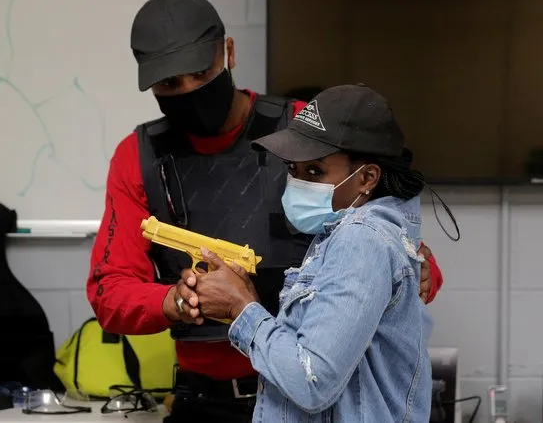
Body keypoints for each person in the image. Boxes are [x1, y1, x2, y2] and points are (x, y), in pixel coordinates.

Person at [87, 0, 443, 421]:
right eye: (169, 84)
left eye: (201, 74)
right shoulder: (138, 157)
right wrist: (180, 301)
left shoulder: (303, 133)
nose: (189, 92)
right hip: (207, 400)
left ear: (229, 53)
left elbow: (401, 247)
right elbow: (110, 291)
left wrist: (416, 271)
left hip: (317, 401)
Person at [187, 84, 440, 422]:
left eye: (315, 171)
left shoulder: (360, 240)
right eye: (293, 169)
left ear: (366, 177)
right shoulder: (345, 233)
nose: (298, 182)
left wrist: (241, 310)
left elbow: (312, 381)